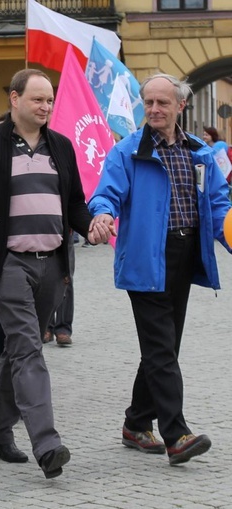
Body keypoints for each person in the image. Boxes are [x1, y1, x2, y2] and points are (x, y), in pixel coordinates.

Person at [0, 69, 110, 479]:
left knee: (20, 349)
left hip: (53, 264)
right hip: (8, 264)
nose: (45, 107)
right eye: (37, 99)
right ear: (14, 99)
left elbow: (73, 203)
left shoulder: (62, 147)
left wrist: (89, 224)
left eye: (49, 101)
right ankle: (47, 443)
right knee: (28, 346)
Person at [89, 73, 229, 465]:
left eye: (162, 103)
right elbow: (106, 194)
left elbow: (219, 206)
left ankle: (135, 423)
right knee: (162, 349)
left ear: (180, 106)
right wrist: (102, 216)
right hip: (145, 259)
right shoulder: (128, 152)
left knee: (162, 348)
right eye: (148, 102)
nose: (154, 110)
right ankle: (176, 434)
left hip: (184, 258)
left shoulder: (199, 152)